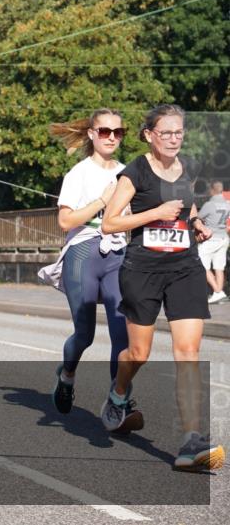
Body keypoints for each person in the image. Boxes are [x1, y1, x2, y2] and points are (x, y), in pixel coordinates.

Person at [101, 104, 224, 471]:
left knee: (188, 351)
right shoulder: (135, 171)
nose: (174, 138)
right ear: (149, 135)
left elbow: (186, 206)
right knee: (138, 352)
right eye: (166, 132)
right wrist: (155, 213)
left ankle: (190, 442)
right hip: (143, 269)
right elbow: (109, 223)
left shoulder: (187, 168)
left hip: (185, 267)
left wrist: (197, 221)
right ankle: (118, 394)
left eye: (179, 132)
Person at [45, 110, 130, 416]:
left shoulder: (129, 172)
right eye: (105, 131)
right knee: (85, 334)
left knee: (123, 333)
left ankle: (118, 402)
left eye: (117, 132)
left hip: (117, 252)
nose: (111, 137)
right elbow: (65, 220)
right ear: (92, 134)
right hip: (83, 252)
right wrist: (101, 202)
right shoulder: (78, 174)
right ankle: (66, 376)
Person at [198, 181, 228, 304]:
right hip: (224, 237)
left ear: (212, 190)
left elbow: (198, 217)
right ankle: (218, 294)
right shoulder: (227, 204)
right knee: (219, 267)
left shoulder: (210, 204)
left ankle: (217, 291)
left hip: (211, 238)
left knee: (201, 264)